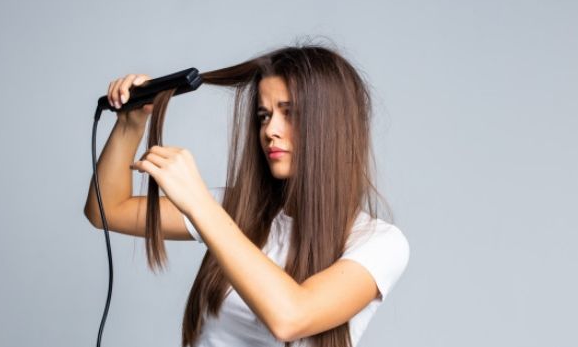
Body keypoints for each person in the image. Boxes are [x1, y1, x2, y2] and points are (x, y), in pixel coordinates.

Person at [83, 44, 410, 347]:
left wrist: (199, 203)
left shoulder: (379, 243)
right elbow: (107, 209)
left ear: (331, 126)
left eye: (290, 113)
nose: (270, 130)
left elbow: (291, 317)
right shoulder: (236, 210)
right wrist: (131, 123)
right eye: (263, 116)